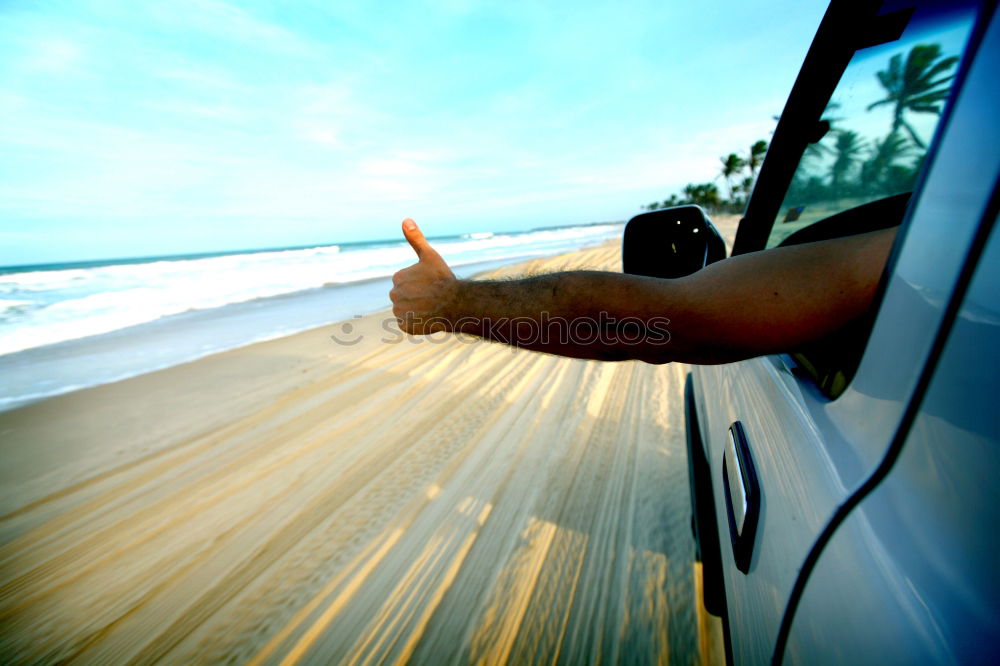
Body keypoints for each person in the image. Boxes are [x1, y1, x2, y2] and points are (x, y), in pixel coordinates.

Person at [389, 218, 897, 365]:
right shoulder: (929, 251)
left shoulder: (919, 249)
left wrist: (451, 303)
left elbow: (662, 323)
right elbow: (637, 330)